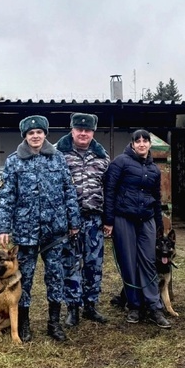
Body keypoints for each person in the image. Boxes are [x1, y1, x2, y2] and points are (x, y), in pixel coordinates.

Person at [0, 115, 80, 342]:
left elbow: (69, 192)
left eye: (39, 132)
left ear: (45, 134)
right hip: (26, 232)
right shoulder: (14, 161)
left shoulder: (58, 159)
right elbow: (6, 196)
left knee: (55, 276)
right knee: (26, 278)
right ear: (25, 136)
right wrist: (3, 227)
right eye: (31, 133)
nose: (35, 136)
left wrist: (74, 222)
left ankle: (54, 323)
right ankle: (23, 324)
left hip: (55, 231)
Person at [103, 129, 171, 329]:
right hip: (124, 217)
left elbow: (157, 198)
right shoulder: (120, 163)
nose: (142, 144)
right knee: (128, 262)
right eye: (138, 141)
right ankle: (134, 305)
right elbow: (110, 191)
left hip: (146, 219)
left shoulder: (154, 170)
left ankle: (154, 305)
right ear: (132, 144)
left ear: (149, 144)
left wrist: (159, 226)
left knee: (149, 261)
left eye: (145, 141)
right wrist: (108, 220)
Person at [56, 112, 110, 327]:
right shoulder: (58, 154)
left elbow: (109, 189)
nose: (83, 133)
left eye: (87, 130)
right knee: (70, 263)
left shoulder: (102, 157)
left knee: (93, 264)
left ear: (93, 132)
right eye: (79, 129)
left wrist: (108, 218)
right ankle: (72, 308)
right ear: (72, 130)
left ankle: (90, 305)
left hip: (95, 219)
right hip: (70, 221)